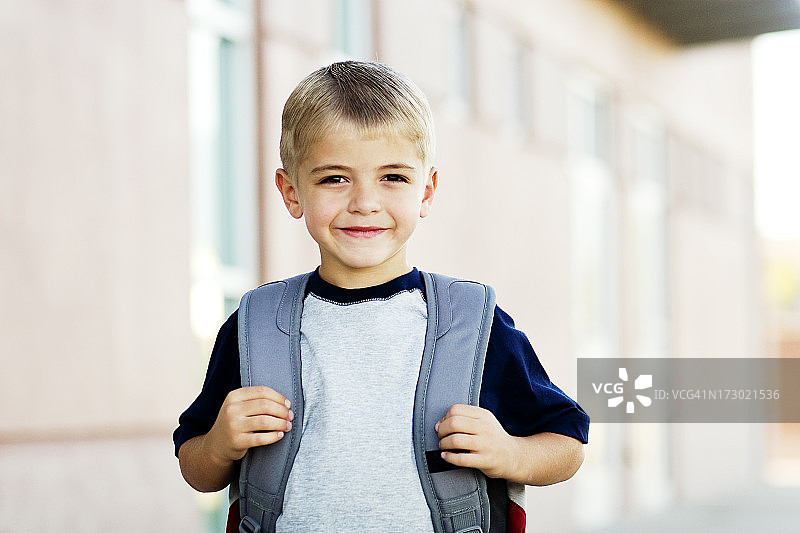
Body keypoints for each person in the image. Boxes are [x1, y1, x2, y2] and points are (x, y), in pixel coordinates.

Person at [174, 60, 589, 532]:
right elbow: (197, 467)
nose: (364, 202)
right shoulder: (257, 326)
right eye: (334, 178)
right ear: (291, 192)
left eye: (393, 177)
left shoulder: (472, 324)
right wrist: (219, 445)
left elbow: (567, 443)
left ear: (426, 190)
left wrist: (511, 453)